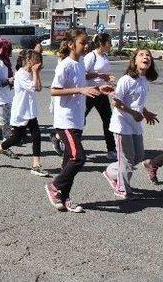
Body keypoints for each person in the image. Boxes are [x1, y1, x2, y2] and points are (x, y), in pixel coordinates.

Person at [45, 29, 113, 213]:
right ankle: (54, 186)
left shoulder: (80, 63)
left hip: (77, 119)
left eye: (86, 43)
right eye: (82, 43)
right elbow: (54, 90)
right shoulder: (64, 65)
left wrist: (99, 85)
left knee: (68, 161)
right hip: (65, 120)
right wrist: (80, 90)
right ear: (71, 45)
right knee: (78, 158)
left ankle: (64, 197)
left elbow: (82, 80)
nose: (86, 46)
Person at [103, 49, 159, 199]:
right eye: (141, 55)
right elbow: (116, 102)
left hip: (135, 124)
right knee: (127, 159)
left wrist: (144, 112)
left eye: (148, 55)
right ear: (134, 61)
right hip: (122, 124)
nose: (145, 57)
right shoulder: (126, 80)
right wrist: (134, 113)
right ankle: (122, 189)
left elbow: (136, 102)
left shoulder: (145, 80)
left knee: (138, 155)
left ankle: (110, 172)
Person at [0, 50, 49, 177]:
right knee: (16, 138)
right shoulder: (21, 74)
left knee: (36, 135)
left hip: (30, 110)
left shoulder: (31, 73)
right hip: (21, 111)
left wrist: (37, 73)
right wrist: (36, 72)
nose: (39, 64)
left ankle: (36, 165)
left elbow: (38, 88)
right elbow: (32, 87)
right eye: (37, 61)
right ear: (30, 61)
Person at [83, 33, 117, 160]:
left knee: (108, 120)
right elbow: (83, 75)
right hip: (89, 92)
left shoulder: (105, 56)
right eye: (109, 42)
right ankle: (59, 137)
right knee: (80, 119)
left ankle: (111, 149)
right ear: (102, 43)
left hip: (102, 93)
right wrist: (100, 76)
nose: (111, 45)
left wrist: (108, 80)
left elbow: (104, 74)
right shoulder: (91, 56)